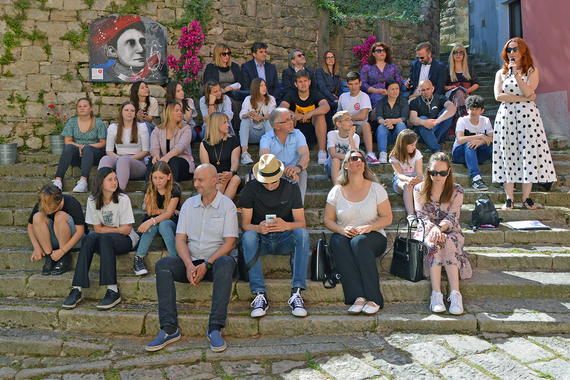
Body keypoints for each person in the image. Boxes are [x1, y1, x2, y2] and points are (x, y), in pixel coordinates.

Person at [145, 164, 238, 353]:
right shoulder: (189, 205)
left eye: (200, 180)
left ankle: (215, 328)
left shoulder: (227, 206)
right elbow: (180, 240)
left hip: (215, 263)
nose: (195, 184)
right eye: (195, 179)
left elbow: (230, 244)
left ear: (214, 181)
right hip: (191, 260)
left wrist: (206, 264)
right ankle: (169, 328)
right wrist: (188, 265)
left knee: (227, 263)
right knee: (163, 265)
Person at [240, 154, 310, 318]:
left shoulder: (291, 187)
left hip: (284, 238)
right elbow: (245, 225)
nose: (270, 185)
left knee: (302, 234)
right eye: (266, 181)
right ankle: (259, 294)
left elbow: (301, 223)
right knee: (248, 236)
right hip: (260, 241)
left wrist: (287, 225)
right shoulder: (251, 188)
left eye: (273, 180)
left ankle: (297, 292)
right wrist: (258, 228)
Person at [323, 150, 392, 315]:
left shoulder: (376, 188)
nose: (360, 161)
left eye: (362, 158)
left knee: (359, 241)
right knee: (337, 241)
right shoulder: (336, 191)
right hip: (346, 235)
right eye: (355, 158)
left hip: (373, 236)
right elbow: (327, 220)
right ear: (346, 165)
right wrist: (341, 229)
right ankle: (357, 297)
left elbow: (387, 218)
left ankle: (374, 298)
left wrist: (369, 227)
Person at [493, 37, 557, 210]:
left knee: (528, 153)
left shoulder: (531, 70)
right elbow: (498, 97)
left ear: (522, 51)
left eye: (514, 49)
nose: (511, 53)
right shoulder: (501, 73)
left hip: (527, 118)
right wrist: (522, 98)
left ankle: (526, 198)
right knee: (508, 153)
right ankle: (509, 197)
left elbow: (530, 90)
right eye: (508, 50)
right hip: (506, 116)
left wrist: (517, 77)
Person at [63, 167, 140, 310]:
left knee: (104, 238)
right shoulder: (92, 200)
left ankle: (113, 290)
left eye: (115, 179)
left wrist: (111, 231)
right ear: (100, 183)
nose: (114, 182)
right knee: (90, 237)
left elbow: (126, 230)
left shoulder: (123, 199)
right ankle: (76, 289)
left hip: (126, 240)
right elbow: (97, 229)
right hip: (107, 239)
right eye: (110, 179)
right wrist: (117, 229)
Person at [413, 152, 471, 314]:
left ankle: (455, 294)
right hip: (427, 230)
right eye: (433, 173)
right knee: (432, 244)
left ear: (449, 172)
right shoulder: (419, 188)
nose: (438, 176)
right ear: (428, 171)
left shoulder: (457, 190)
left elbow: (453, 216)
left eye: (442, 173)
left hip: (450, 229)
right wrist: (434, 230)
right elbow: (422, 216)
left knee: (449, 242)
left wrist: (440, 229)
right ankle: (436, 294)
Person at [134, 161, 182, 275]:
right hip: (154, 220)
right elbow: (150, 211)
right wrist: (167, 210)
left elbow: (169, 215)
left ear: (169, 176)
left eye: (161, 177)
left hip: (171, 222)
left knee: (163, 225)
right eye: (155, 177)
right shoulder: (149, 188)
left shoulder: (174, 189)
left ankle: (175, 259)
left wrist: (155, 218)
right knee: (151, 227)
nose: (158, 181)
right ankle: (138, 259)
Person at [28, 185, 85, 276]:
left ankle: (64, 258)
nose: (48, 212)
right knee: (37, 217)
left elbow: (80, 231)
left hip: (74, 240)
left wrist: (62, 251)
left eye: (50, 209)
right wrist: (37, 247)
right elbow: (30, 227)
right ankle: (49, 257)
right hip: (54, 240)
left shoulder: (72, 203)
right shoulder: (43, 203)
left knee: (59, 215)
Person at [52, 98, 107, 193]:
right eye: (80, 106)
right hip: (78, 154)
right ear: (77, 109)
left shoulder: (98, 123)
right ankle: (58, 180)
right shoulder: (72, 122)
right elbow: (68, 141)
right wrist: (80, 146)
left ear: (91, 108)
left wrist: (86, 147)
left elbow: (103, 142)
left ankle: (84, 181)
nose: (82, 108)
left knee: (88, 148)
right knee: (68, 147)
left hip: (94, 155)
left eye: (85, 106)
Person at [279, 70, 330, 164]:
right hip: (297, 130)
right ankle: (287, 150)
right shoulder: (291, 95)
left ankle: (322, 152)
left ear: (309, 82)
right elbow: (281, 107)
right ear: (295, 84)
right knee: (288, 117)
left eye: (305, 81)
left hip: (313, 129)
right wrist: (294, 115)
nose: (303, 84)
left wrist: (311, 113)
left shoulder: (315, 94)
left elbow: (326, 106)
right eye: (300, 81)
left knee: (320, 115)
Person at [260, 108, 310, 202]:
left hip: (295, 170)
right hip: (276, 171)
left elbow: (305, 155)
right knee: (272, 176)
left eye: (291, 118)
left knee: (302, 172)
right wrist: (282, 170)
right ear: (277, 126)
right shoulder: (266, 138)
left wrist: (297, 168)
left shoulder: (298, 134)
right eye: (287, 120)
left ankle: (298, 207)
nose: (292, 122)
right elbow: (264, 156)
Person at [98, 101, 150, 190]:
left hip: (137, 163)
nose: (129, 112)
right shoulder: (113, 127)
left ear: (135, 114)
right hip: (119, 159)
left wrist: (127, 159)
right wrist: (119, 159)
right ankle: (100, 189)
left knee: (124, 160)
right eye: (126, 110)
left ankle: (120, 192)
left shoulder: (141, 127)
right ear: (121, 112)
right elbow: (109, 151)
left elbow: (146, 151)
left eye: (132, 111)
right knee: (105, 159)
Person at [146, 101, 195, 184]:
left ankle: (170, 190)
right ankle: (148, 191)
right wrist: (156, 155)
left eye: (180, 110)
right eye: (176, 111)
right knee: (152, 160)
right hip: (164, 165)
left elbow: (181, 146)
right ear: (168, 113)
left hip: (182, 166)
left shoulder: (186, 128)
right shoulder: (157, 130)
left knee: (173, 160)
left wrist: (167, 157)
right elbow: (154, 147)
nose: (180, 113)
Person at [451, 95, 493, 190]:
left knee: (491, 145)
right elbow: (460, 139)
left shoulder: (485, 121)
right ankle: (476, 178)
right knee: (469, 144)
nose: (474, 112)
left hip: (478, 154)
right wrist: (480, 136)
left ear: (482, 110)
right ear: (467, 110)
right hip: (460, 153)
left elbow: (492, 138)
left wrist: (481, 141)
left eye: (477, 109)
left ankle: (502, 176)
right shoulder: (462, 120)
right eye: (471, 109)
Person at [337, 71, 378, 164]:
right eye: (351, 84)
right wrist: (344, 121)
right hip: (345, 128)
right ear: (347, 84)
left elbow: (363, 115)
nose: (353, 87)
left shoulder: (364, 97)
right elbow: (338, 116)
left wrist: (346, 118)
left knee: (366, 125)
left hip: (359, 129)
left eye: (356, 84)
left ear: (360, 83)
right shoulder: (342, 97)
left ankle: (370, 154)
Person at [200, 112, 241, 200]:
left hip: (230, 176)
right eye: (224, 122)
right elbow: (206, 167)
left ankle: (217, 206)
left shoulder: (233, 140)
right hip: (213, 178)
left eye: (227, 122)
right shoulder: (204, 144)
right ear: (215, 124)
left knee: (236, 178)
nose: (228, 125)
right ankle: (221, 208)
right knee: (221, 181)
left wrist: (231, 173)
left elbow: (235, 160)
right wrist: (215, 176)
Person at [409, 79, 456, 153]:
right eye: (423, 90)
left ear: (432, 89)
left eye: (428, 89)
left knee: (447, 113)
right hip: (422, 135)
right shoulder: (415, 102)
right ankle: (437, 149)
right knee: (422, 118)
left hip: (440, 133)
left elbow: (452, 108)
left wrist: (437, 121)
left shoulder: (440, 98)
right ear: (419, 91)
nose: (426, 92)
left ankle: (431, 142)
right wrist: (423, 122)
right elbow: (412, 118)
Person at [203, 43, 242, 130]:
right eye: (224, 54)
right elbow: (208, 84)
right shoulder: (211, 67)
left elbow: (240, 81)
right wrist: (223, 90)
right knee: (231, 102)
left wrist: (237, 86)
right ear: (218, 54)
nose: (226, 56)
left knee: (238, 101)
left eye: (228, 53)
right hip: (218, 93)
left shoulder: (234, 66)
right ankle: (229, 129)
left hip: (233, 93)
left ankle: (238, 130)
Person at [239, 78, 276, 165]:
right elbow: (241, 115)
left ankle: (268, 153)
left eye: (265, 85)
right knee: (244, 121)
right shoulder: (248, 99)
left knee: (268, 121)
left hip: (264, 132)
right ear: (255, 88)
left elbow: (273, 115)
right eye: (261, 86)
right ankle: (244, 154)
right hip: (252, 134)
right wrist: (248, 114)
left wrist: (262, 116)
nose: (264, 88)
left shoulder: (271, 99)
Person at [389, 129, 423, 222]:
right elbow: (399, 174)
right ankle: (411, 215)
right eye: (412, 145)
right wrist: (408, 179)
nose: (414, 147)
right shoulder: (394, 156)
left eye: (415, 144)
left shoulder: (417, 154)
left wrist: (417, 179)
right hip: (401, 180)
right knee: (408, 185)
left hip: (415, 178)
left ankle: (422, 213)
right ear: (404, 145)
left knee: (423, 185)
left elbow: (420, 173)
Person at [360, 42, 403, 108]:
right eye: (379, 51)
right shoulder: (367, 68)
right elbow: (363, 84)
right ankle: (379, 118)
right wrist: (377, 91)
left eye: (384, 51)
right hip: (374, 93)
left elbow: (399, 82)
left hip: (391, 93)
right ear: (373, 53)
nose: (382, 52)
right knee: (379, 100)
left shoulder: (393, 67)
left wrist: (390, 91)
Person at [376, 79, 409, 163]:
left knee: (401, 124)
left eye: (397, 88)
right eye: (392, 89)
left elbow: (404, 117)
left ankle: (402, 152)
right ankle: (383, 153)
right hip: (385, 134)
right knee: (381, 126)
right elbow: (379, 118)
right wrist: (386, 123)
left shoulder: (403, 102)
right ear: (386, 91)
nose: (395, 91)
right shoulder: (381, 102)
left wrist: (391, 121)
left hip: (398, 134)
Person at [445, 43, 479, 118]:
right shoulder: (447, 68)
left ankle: (461, 117)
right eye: (455, 52)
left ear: (464, 55)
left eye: (461, 52)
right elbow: (443, 86)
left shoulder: (469, 67)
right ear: (452, 55)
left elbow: (476, 83)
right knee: (459, 93)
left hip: (467, 93)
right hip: (453, 95)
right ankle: (463, 117)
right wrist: (449, 88)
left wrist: (469, 90)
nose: (458, 55)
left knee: (462, 94)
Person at [325, 111, 360, 183]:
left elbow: (355, 156)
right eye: (347, 120)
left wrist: (350, 137)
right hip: (332, 165)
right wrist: (349, 156)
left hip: (348, 165)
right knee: (336, 160)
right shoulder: (331, 134)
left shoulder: (355, 137)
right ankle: (336, 189)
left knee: (351, 163)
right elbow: (333, 154)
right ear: (338, 124)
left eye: (351, 120)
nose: (351, 122)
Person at [316, 50, 341, 129]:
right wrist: (333, 98)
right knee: (329, 107)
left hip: (335, 99)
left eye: (332, 57)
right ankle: (328, 132)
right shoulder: (320, 71)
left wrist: (341, 99)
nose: (331, 59)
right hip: (324, 98)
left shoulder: (337, 73)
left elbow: (339, 89)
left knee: (341, 106)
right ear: (325, 60)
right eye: (328, 57)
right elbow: (322, 88)